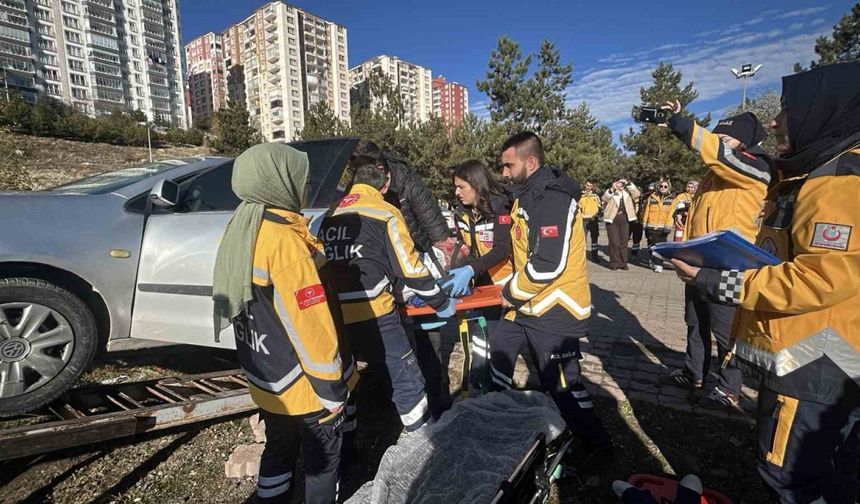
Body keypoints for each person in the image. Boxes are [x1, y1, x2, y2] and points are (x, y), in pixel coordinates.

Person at [672, 62, 860, 504]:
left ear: (824, 111)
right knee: (830, 482)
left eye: (787, 110)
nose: (774, 120)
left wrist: (720, 281)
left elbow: (819, 279)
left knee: (789, 483)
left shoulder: (836, 183)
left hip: (814, 365)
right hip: (812, 363)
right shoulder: (810, 173)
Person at [212, 143, 354, 504]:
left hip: (267, 378)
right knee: (323, 463)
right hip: (304, 388)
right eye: (300, 179)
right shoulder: (284, 241)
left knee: (278, 449)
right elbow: (309, 325)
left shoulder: (241, 228)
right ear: (277, 180)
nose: (306, 187)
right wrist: (332, 392)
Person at [491, 132, 612, 455]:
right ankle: (495, 416)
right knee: (500, 346)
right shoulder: (527, 195)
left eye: (508, 165)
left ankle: (596, 446)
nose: (504, 172)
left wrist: (511, 292)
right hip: (529, 306)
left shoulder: (552, 198)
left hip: (556, 308)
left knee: (562, 386)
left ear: (530, 162)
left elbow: (547, 264)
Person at [320, 158, 456, 434]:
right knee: (407, 382)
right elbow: (411, 270)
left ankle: (347, 450)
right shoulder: (385, 213)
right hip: (376, 314)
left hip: (335, 317)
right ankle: (422, 449)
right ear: (384, 187)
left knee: (347, 381)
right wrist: (441, 301)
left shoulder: (330, 216)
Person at [660, 103, 772, 410]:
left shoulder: (756, 166)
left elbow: (719, 156)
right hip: (697, 262)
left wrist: (683, 126)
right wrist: (686, 219)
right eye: (717, 137)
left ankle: (728, 389)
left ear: (744, 144)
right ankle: (694, 372)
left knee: (727, 332)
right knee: (695, 324)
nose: (719, 143)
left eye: (726, 139)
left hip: (728, 265)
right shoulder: (712, 177)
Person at [441, 159, 513, 393]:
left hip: (507, 284)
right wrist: (456, 265)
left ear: (476, 184)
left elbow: (503, 249)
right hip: (482, 286)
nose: (457, 192)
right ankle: (480, 381)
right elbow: (468, 249)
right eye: (456, 187)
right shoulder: (462, 212)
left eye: (461, 187)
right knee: (481, 334)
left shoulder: (501, 207)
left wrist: (471, 269)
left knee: (501, 338)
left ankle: (498, 388)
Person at [350, 140, 452, 254]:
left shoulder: (409, 184)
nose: (357, 181)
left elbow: (436, 229)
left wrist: (445, 260)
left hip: (420, 256)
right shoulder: (354, 188)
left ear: (380, 170)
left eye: (362, 175)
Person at [602, 177, 641, 270]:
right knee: (614, 242)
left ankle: (623, 263)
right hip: (612, 219)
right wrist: (612, 189)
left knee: (624, 242)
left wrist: (628, 183)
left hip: (625, 219)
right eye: (619, 182)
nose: (621, 184)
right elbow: (604, 198)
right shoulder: (611, 192)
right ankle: (614, 263)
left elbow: (637, 194)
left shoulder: (628, 192)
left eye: (622, 182)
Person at [640, 180, 674, 272]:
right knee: (655, 245)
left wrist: (668, 226)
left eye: (665, 186)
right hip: (651, 226)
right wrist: (644, 223)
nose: (663, 188)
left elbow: (671, 214)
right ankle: (658, 264)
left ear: (669, 188)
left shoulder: (671, 199)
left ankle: (655, 261)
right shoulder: (651, 198)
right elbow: (646, 211)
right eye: (661, 186)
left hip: (663, 227)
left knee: (662, 246)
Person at [580, 180, 602, 262]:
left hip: (593, 219)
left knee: (594, 238)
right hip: (583, 219)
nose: (588, 187)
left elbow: (600, 206)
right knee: (582, 239)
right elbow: (577, 207)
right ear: (585, 185)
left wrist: (598, 213)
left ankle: (595, 256)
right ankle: (582, 257)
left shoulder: (595, 195)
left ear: (592, 187)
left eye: (590, 186)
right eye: (587, 185)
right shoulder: (580, 195)